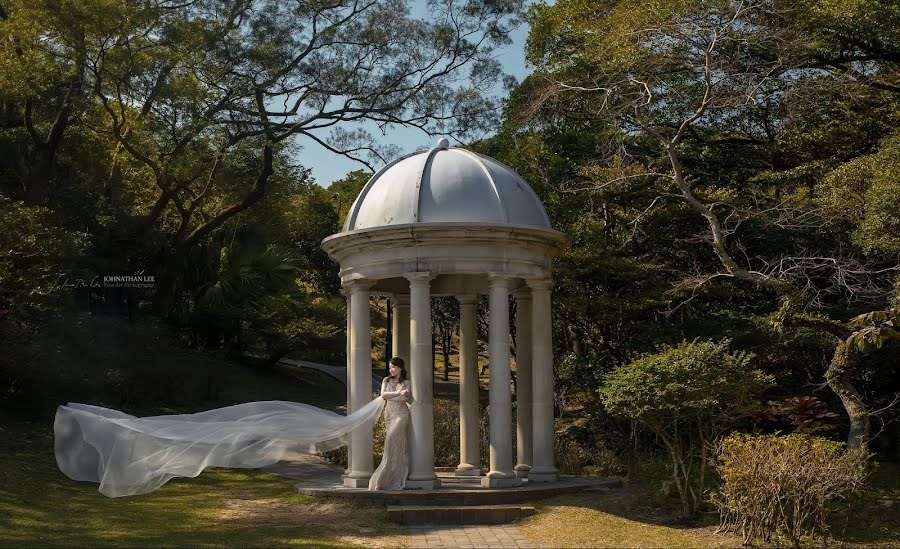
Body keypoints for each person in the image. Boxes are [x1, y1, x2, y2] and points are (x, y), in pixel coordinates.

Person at [54, 376, 387, 497]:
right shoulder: (387, 386)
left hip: (387, 408)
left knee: (196, 434)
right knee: (190, 433)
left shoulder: (391, 386)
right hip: (383, 406)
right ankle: (100, 423)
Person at [368, 356, 412, 491]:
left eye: (393, 367)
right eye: (390, 367)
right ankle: (388, 478)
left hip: (402, 414)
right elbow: (383, 395)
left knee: (390, 440)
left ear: (400, 368)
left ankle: (389, 476)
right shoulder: (386, 380)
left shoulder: (407, 382)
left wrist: (396, 395)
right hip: (389, 414)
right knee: (394, 445)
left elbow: (406, 397)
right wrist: (399, 392)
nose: (391, 370)